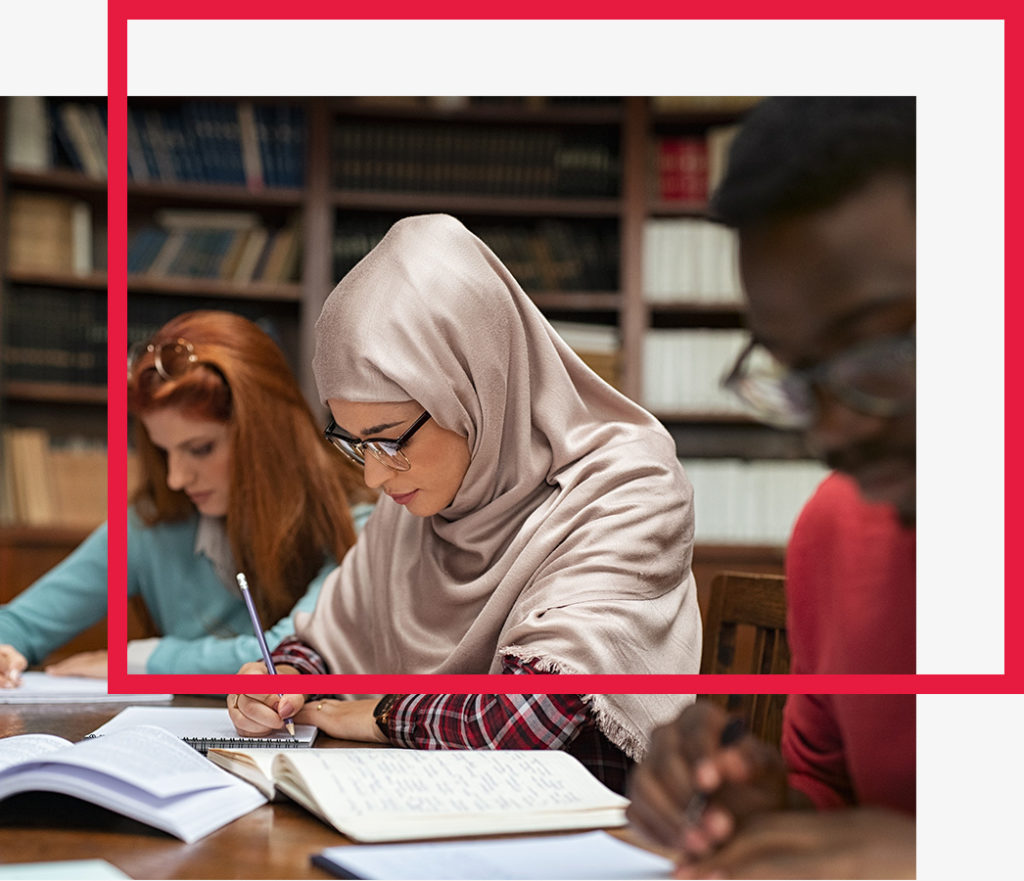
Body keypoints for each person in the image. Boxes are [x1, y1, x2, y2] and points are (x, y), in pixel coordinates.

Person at [227, 213, 702, 793]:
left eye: (390, 437)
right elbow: (328, 640)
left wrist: (376, 716)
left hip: (592, 839)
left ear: (478, 388)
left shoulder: (631, 486)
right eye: (354, 443)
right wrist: (281, 683)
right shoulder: (419, 500)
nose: (375, 475)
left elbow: (531, 716)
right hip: (425, 814)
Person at [626, 96, 917, 877]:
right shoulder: (836, 530)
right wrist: (757, 810)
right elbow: (834, 794)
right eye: (797, 372)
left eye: (876, 347)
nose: (834, 430)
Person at [0, 310, 375, 682]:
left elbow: (291, 655)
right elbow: (21, 624)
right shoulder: (152, 522)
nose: (177, 478)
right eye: (164, 452)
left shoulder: (357, 519)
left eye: (200, 449)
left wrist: (144, 659)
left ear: (267, 439)